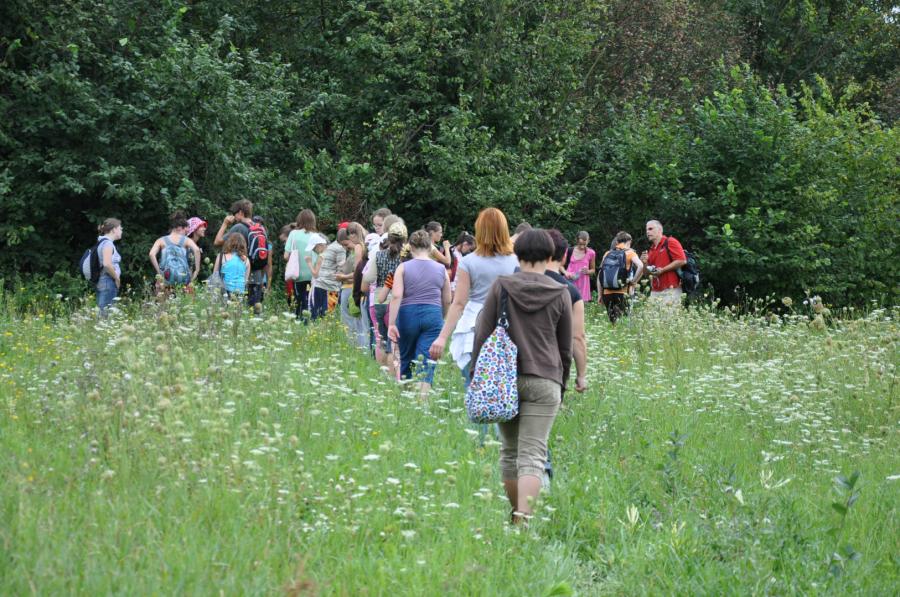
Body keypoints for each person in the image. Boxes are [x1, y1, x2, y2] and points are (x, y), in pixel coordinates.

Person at [472, 229, 572, 524]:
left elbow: (483, 333)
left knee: (510, 452)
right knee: (533, 454)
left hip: (505, 379)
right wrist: (562, 386)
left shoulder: (501, 286)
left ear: (517, 254)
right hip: (546, 380)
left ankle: (515, 518)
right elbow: (565, 348)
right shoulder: (561, 292)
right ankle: (525, 523)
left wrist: (479, 376)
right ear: (551, 256)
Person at [429, 207, 518, 389]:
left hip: (473, 326)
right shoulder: (517, 262)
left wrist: (442, 337)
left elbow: (459, 303)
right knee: (502, 388)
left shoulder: (469, 262)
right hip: (507, 326)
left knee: (474, 387)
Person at [387, 230, 451, 397]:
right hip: (433, 314)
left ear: (411, 246)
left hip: (407, 315)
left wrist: (391, 323)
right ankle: (422, 402)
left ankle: (406, 397)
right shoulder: (441, 268)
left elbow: (396, 295)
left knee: (406, 358)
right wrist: (443, 317)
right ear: (430, 247)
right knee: (427, 361)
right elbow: (447, 299)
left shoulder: (403, 267)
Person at [363, 221, 407, 376]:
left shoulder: (379, 255)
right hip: (398, 301)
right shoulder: (406, 257)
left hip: (379, 300)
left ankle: (383, 374)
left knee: (380, 340)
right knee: (394, 342)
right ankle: (394, 374)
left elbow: (369, 277)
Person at [546, 230, 587, 392]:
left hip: (517, 366)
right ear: (564, 257)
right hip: (554, 368)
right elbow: (577, 337)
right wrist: (581, 375)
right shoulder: (571, 291)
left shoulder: (516, 281)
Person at [148, 211, 201, 295]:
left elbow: (151, 254)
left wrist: (159, 272)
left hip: (166, 277)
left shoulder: (161, 240)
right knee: (185, 300)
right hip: (183, 277)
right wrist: (197, 270)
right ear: (181, 228)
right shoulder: (186, 240)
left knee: (164, 301)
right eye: (185, 230)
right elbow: (197, 250)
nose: (186, 232)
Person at [599, 231, 643, 323]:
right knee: (625, 321)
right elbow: (641, 266)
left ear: (617, 242)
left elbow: (600, 274)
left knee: (613, 322)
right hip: (623, 292)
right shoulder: (630, 253)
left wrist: (600, 294)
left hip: (607, 293)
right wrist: (634, 281)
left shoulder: (607, 253)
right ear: (629, 241)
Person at [640, 220, 686, 306]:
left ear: (660, 230)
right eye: (646, 230)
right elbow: (646, 274)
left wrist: (663, 270)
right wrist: (644, 263)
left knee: (669, 315)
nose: (647, 232)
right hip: (655, 291)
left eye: (650, 229)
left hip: (671, 289)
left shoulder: (670, 241)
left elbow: (682, 260)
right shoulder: (651, 249)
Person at [338, 223, 369, 348]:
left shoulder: (358, 247)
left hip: (356, 287)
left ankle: (358, 347)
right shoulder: (366, 245)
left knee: (357, 320)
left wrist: (344, 277)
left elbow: (358, 271)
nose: (350, 237)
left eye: (351, 234)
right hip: (363, 287)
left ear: (355, 234)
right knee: (362, 321)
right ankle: (362, 347)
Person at [284, 209, 317, 320]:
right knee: (310, 300)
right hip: (313, 274)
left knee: (300, 300)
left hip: (298, 274)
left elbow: (286, 256)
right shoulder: (316, 236)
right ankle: (310, 321)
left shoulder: (293, 234)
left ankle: (300, 321)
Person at [306, 230, 345, 320]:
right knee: (326, 315)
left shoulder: (323, 255)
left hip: (323, 286)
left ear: (320, 245)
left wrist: (309, 263)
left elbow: (315, 274)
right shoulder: (331, 251)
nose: (314, 251)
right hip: (329, 287)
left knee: (317, 315)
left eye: (314, 248)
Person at [95, 218, 123, 316]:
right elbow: (107, 264)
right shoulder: (107, 243)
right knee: (105, 315)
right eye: (120, 228)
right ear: (114, 229)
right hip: (108, 281)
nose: (121, 231)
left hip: (103, 281)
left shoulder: (102, 242)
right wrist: (116, 278)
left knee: (104, 313)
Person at [214, 233, 250, 299]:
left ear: (229, 243)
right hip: (240, 292)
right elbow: (245, 280)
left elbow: (215, 275)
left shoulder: (222, 256)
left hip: (225, 291)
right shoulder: (246, 260)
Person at [564, 231, 596, 302]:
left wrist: (587, 271)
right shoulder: (569, 251)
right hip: (569, 283)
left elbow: (593, 270)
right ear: (576, 240)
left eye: (584, 244)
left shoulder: (591, 253)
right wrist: (566, 273)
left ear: (588, 241)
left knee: (581, 307)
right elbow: (560, 266)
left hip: (583, 286)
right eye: (580, 244)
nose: (582, 246)